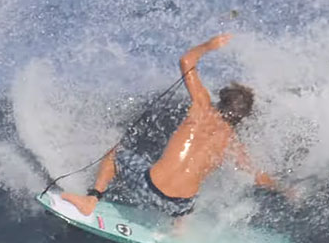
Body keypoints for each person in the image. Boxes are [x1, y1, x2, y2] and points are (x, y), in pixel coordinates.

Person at [61, 33, 284, 218]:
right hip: (179, 206)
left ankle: (91, 200)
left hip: (150, 189)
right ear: (242, 117)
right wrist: (286, 190)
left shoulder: (201, 107)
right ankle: (179, 228)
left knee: (115, 156)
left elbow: (186, 61)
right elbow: (258, 177)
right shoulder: (232, 143)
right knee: (190, 197)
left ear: (221, 99)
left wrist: (210, 45)